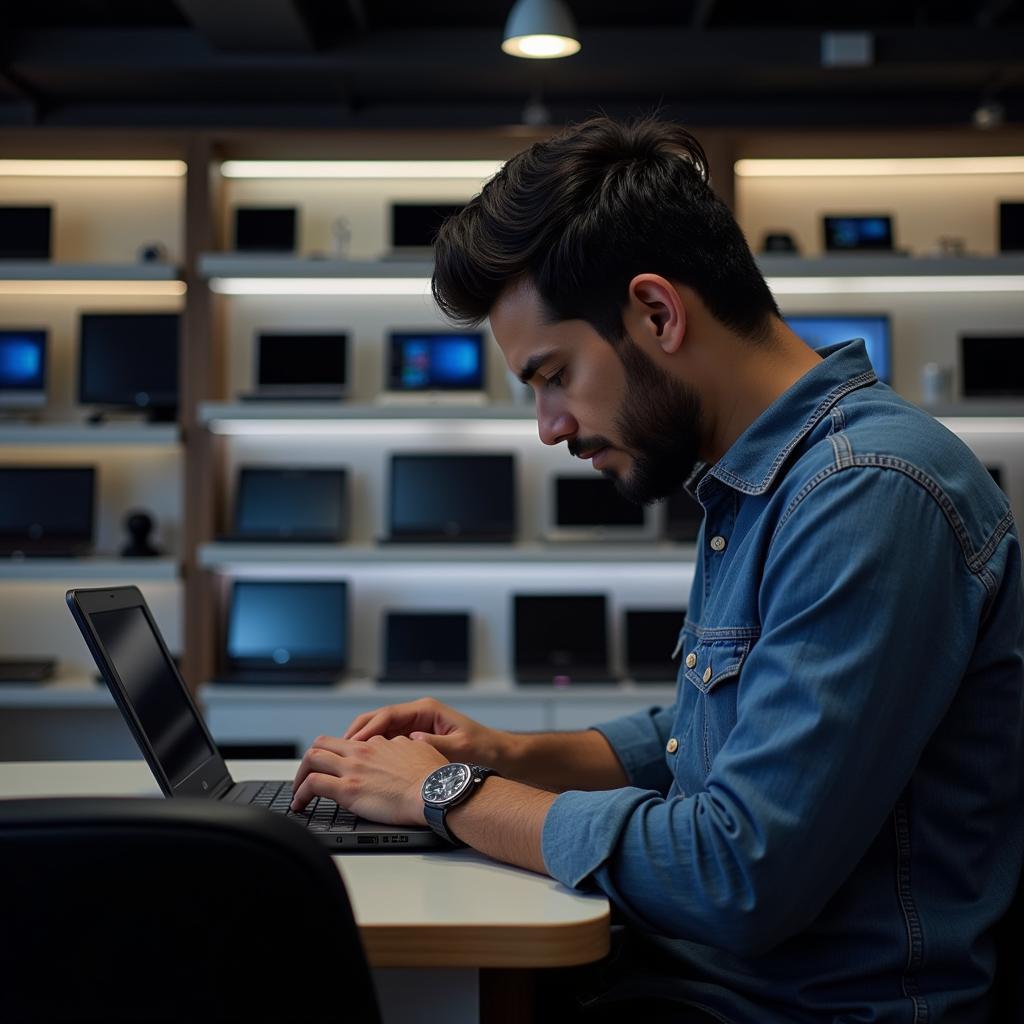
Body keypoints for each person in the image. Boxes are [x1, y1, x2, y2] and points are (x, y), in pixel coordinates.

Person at [291, 116, 1024, 1022]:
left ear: (657, 313)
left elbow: (737, 874)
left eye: (552, 374)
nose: (548, 426)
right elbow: (700, 732)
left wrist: (450, 794)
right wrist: (503, 753)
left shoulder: (867, 494)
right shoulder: (766, 481)